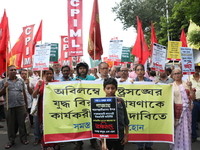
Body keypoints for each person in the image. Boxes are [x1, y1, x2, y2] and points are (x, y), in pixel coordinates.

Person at [0, 65, 29, 149]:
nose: (13, 71)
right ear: (8, 71)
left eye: (15, 70)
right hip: (9, 106)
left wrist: (26, 104)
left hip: (21, 105)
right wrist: (4, 87)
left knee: (22, 123)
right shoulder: (3, 81)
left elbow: (24, 93)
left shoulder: (21, 81)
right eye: (11, 70)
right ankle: (11, 140)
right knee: (10, 125)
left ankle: (23, 138)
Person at [72, 62, 100, 150]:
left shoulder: (92, 78)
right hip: (79, 106)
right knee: (80, 123)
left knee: (92, 123)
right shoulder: (74, 80)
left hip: (91, 105)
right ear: (77, 70)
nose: (82, 70)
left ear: (87, 69)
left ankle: (93, 141)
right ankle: (79, 143)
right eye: (80, 68)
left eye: (84, 68)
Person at [32, 67, 59, 150]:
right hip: (43, 110)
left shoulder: (57, 83)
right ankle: (46, 144)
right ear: (44, 74)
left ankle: (55, 143)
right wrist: (38, 87)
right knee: (45, 127)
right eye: (47, 73)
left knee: (54, 127)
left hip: (54, 109)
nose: (49, 75)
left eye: (51, 73)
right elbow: (34, 95)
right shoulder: (40, 83)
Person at [101, 77, 129, 150]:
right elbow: (97, 123)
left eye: (113, 88)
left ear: (116, 89)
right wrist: (102, 142)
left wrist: (126, 135)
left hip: (120, 135)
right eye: (108, 88)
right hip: (106, 137)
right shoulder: (99, 103)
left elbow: (126, 119)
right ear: (104, 89)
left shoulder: (120, 101)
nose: (110, 90)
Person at [170, 69, 195, 150]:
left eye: (178, 73)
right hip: (175, 112)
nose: (177, 75)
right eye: (175, 73)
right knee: (176, 131)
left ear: (182, 74)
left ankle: (186, 147)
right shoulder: (170, 86)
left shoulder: (187, 84)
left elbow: (193, 98)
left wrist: (190, 87)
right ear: (172, 76)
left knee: (186, 130)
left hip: (186, 112)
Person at [134, 64, 153, 150]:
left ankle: (148, 145)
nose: (140, 71)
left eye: (141, 69)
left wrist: (156, 84)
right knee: (139, 127)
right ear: (135, 72)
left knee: (149, 126)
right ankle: (140, 146)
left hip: (148, 107)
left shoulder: (149, 81)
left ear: (144, 71)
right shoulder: (132, 82)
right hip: (137, 108)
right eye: (138, 70)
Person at [188, 66, 200, 143]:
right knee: (193, 119)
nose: (196, 70)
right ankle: (193, 135)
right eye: (195, 69)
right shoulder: (189, 78)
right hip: (194, 101)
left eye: (198, 69)